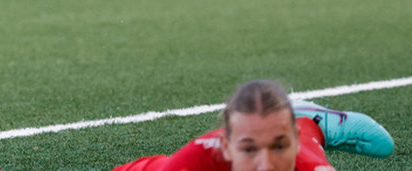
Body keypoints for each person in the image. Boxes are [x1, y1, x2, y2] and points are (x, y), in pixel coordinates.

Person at [113, 80, 394, 170]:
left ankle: (311, 124)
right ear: (226, 147)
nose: (266, 165)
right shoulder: (192, 163)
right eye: (249, 150)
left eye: (280, 146)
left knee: (383, 146)